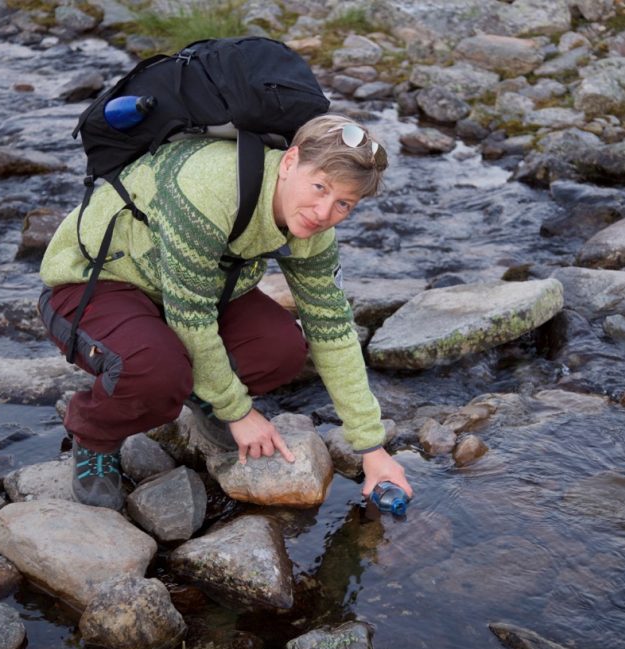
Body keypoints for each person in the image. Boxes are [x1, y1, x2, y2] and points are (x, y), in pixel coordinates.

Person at [37, 113, 413, 511]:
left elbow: (332, 327)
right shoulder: (210, 189)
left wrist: (371, 448)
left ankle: (205, 396)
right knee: (156, 369)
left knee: (280, 348)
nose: (323, 212)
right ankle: (95, 436)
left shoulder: (314, 231)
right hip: (98, 282)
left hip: (187, 291)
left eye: (344, 204)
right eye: (319, 187)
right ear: (289, 162)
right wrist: (238, 410)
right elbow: (191, 318)